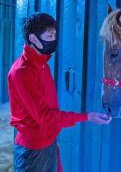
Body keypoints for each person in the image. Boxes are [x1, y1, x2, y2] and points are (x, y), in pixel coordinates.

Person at [7, 12, 111, 172]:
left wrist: (52, 138)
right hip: (33, 151)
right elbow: (45, 117)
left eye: (55, 35)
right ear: (33, 39)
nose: (53, 40)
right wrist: (86, 117)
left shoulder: (43, 65)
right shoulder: (22, 72)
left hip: (49, 143)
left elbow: (49, 112)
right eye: (49, 36)